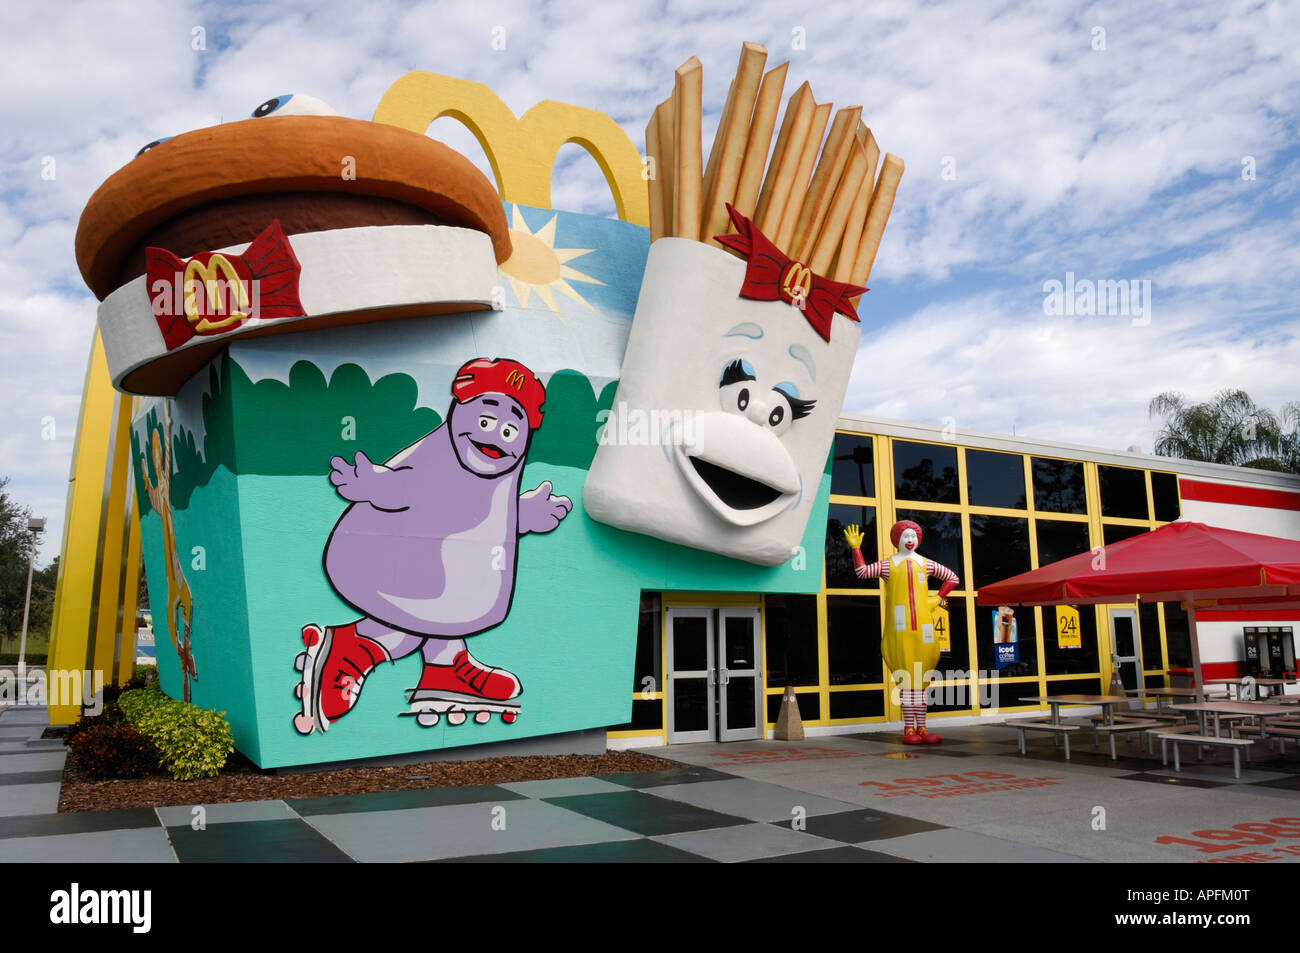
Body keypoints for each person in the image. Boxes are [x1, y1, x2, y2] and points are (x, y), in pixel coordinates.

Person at [843, 519, 959, 744]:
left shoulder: (926, 564)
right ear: (896, 540)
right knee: (907, 682)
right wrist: (856, 548)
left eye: (913, 536)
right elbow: (862, 571)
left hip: (924, 633)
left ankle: (922, 728)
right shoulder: (888, 565)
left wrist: (936, 599)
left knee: (922, 682)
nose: (909, 540)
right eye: (905, 536)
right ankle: (909, 729)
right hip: (899, 632)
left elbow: (953, 578)